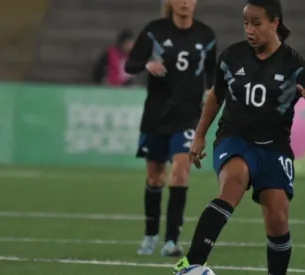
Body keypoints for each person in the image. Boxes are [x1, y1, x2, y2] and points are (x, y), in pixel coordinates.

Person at [173, 0, 305, 274]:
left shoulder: (295, 65)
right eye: (245, 23)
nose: (249, 29)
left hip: (275, 146)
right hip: (235, 137)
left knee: (278, 218)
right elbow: (216, 95)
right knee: (234, 180)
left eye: (256, 23)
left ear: (274, 23)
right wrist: (199, 136)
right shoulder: (232, 56)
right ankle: (192, 263)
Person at [124, 0, 217, 257]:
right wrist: (146, 65)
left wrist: (210, 90)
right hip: (156, 115)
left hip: (187, 116)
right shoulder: (155, 31)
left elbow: (211, 72)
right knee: (155, 178)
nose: (185, 2)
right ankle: (150, 235)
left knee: (180, 172)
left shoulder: (206, 35)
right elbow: (129, 64)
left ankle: (171, 241)